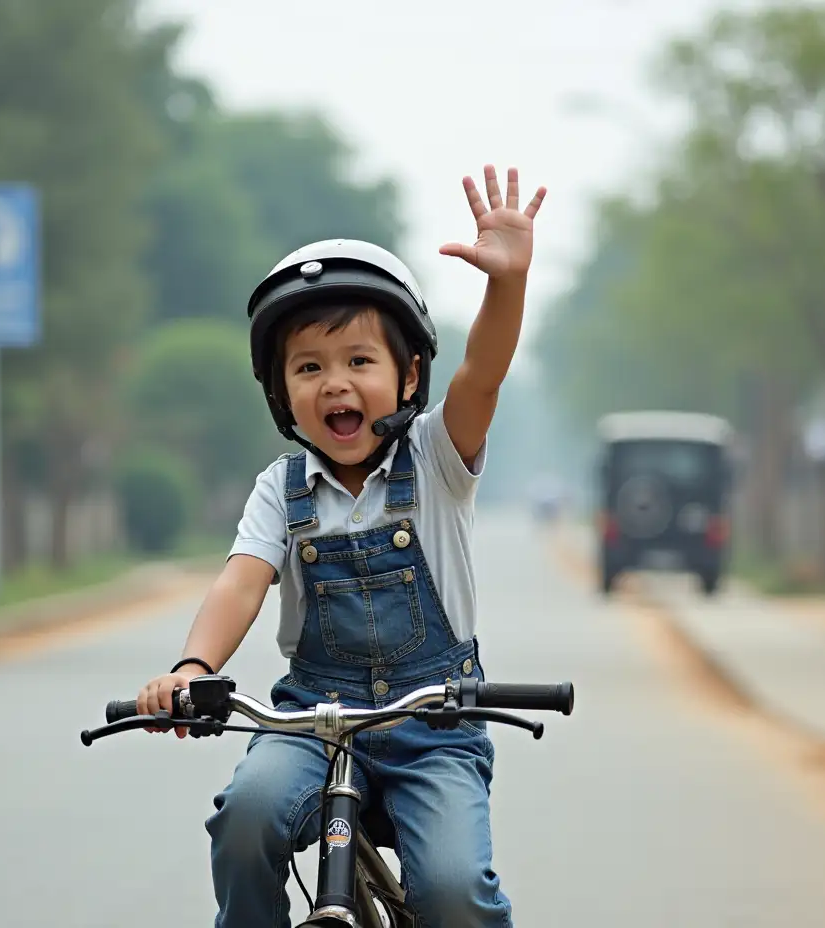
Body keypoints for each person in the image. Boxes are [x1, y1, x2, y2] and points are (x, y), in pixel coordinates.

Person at [137, 165, 546, 927]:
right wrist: (193, 667)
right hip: (313, 721)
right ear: (280, 391)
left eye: (360, 362)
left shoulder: (437, 460)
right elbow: (242, 581)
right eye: (309, 367)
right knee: (246, 819)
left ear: (409, 374)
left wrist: (508, 285)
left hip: (437, 729)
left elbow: (484, 377)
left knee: (454, 890)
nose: (335, 384)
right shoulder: (280, 489)